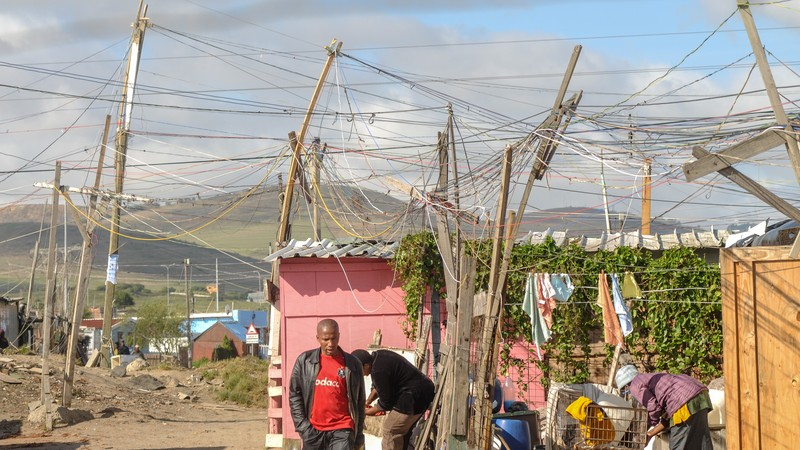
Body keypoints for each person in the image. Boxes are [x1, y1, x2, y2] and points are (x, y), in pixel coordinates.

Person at [289, 319, 365, 450]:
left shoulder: (353, 364)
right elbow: (295, 395)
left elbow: (360, 401)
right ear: (318, 338)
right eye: (326, 339)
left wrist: (358, 435)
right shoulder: (305, 361)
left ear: (339, 336)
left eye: (334, 338)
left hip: (343, 429)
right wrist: (303, 427)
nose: (331, 343)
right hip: (313, 431)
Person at [352, 348, 435, 450]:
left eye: (359, 370)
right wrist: (368, 401)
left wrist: (365, 412)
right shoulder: (378, 357)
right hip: (422, 390)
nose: (360, 374)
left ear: (366, 365)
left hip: (414, 396)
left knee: (390, 429)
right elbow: (379, 387)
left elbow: (386, 403)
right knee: (402, 432)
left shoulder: (378, 371)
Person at [615, 364, 713, 450]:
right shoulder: (652, 378)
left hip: (684, 401)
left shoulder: (635, 384)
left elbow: (653, 407)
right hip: (700, 395)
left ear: (626, 385)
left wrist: (652, 422)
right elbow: (668, 416)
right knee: (700, 441)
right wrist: (650, 433)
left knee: (677, 445)